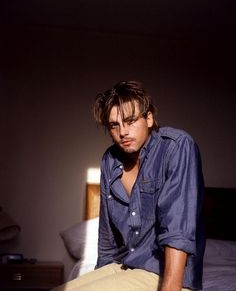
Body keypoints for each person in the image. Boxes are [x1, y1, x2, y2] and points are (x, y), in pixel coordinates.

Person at [53, 81, 205, 291]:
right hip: (124, 266)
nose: (122, 132)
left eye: (130, 121)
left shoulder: (176, 147)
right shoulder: (110, 161)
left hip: (159, 272)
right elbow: (108, 243)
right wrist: (102, 278)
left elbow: (177, 234)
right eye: (114, 125)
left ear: (149, 118)